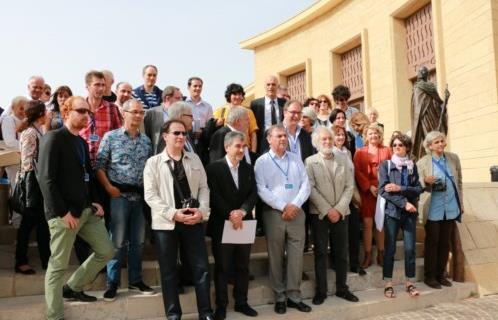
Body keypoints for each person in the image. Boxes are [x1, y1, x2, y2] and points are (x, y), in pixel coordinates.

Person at [37, 96, 115, 320]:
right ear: (66, 112)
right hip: (63, 215)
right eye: (81, 111)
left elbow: (86, 176)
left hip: (85, 210)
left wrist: (94, 201)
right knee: (58, 265)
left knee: (106, 251)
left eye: (88, 112)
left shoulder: (80, 142)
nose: (86, 116)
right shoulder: (53, 138)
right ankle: (54, 315)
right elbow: (46, 180)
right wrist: (63, 213)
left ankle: (73, 287)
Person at [143, 119, 213, 320]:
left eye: (184, 133)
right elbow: (150, 195)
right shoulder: (153, 163)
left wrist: (202, 211)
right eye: (176, 133)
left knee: (201, 269)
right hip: (166, 224)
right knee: (168, 271)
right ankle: (173, 314)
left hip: (193, 221)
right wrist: (173, 213)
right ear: (165, 136)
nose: (181, 137)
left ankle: (206, 313)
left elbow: (203, 188)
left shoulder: (195, 159)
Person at [95, 99, 153, 301]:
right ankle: (112, 283)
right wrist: (109, 188)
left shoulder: (146, 141)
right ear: (123, 113)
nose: (138, 116)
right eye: (134, 112)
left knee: (138, 241)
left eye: (141, 112)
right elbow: (99, 165)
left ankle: (136, 280)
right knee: (117, 241)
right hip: (119, 196)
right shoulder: (110, 137)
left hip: (139, 198)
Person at [254, 125, 312, 315]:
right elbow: (262, 189)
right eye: (278, 136)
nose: (283, 139)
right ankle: (279, 296)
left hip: (296, 213)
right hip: (274, 214)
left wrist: (294, 205)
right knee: (276, 256)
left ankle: (294, 296)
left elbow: (305, 184)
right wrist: (282, 206)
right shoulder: (261, 162)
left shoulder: (295, 159)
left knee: (296, 256)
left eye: (285, 136)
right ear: (269, 139)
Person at [206, 131, 258, 320]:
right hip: (223, 224)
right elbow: (213, 196)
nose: (241, 150)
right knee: (223, 267)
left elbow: (253, 193)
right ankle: (221, 306)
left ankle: (241, 302)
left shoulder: (248, 168)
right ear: (227, 147)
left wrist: (242, 212)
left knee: (243, 266)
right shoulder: (213, 169)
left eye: (244, 146)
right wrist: (231, 213)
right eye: (237, 146)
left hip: (244, 223)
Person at [305, 126, 358, 305]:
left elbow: (350, 186)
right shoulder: (310, 162)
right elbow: (310, 188)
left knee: (342, 253)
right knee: (320, 253)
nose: (327, 142)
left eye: (329, 138)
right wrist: (328, 210)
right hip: (320, 214)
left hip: (342, 213)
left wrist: (339, 209)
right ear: (317, 143)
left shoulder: (344, 159)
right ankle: (321, 291)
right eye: (323, 140)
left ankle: (342, 288)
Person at [378, 134, 423, 298]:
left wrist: (400, 188)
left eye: (400, 145)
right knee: (390, 249)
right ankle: (388, 284)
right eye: (394, 145)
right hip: (393, 213)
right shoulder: (386, 165)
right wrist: (404, 203)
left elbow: (418, 189)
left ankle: (409, 282)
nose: (397, 147)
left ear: (407, 148)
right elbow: (383, 190)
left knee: (410, 249)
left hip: (410, 214)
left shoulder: (412, 166)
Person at [417, 131, 463, 289]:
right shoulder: (422, 162)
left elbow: (459, 182)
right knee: (432, 241)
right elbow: (416, 184)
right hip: (433, 207)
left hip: (450, 207)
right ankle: (429, 277)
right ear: (429, 146)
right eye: (437, 142)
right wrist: (425, 181)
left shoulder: (453, 158)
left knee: (445, 243)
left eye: (442, 141)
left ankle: (440, 274)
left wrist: (460, 203)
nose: (441, 144)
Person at [15, 101, 51, 274]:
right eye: (46, 112)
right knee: (28, 224)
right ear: (40, 114)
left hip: (39, 183)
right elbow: (28, 162)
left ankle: (46, 260)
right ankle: (20, 261)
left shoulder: (39, 131)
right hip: (32, 185)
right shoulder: (30, 132)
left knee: (43, 224)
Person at [353, 124, 391, 269]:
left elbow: (391, 169)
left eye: (376, 133)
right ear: (366, 136)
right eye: (370, 134)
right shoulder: (359, 152)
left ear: (380, 135)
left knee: (380, 225)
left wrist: (382, 187)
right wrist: (369, 187)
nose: (373, 136)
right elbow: (357, 172)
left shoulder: (387, 150)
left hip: (383, 191)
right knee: (368, 224)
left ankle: (381, 253)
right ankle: (368, 255)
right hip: (367, 191)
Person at [332, 125, 365, 276]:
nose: (340, 137)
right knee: (339, 235)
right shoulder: (330, 153)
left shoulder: (348, 152)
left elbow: (352, 176)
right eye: (337, 135)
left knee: (353, 232)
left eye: (342, 135)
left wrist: (356, 196)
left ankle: (354, 263)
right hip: (338, 199)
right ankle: (339, 263)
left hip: (352, 196)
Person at [80, 70, 122, 167]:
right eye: (97, 85)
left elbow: (119, 137)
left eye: (103, 85)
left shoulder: (112, 109)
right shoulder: (79, 108)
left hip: (104, 165)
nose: (101, 88)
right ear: (87, 86)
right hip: (82, 162)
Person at [411, 66, 450, 160]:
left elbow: (439, 102)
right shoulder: (417, 87)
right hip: (422, 117)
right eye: (421, 72)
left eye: (424, 71)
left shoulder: (431, 86)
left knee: (435, 136)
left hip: (433, 116)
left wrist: (446, 99)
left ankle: (436, 157)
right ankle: (427, 158)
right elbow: (416, 106)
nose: (423, 73)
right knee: (426, 139)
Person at [213, 83, 258, 153]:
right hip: (226, 149)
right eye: (234, 94)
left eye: (240, 94)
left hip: (245, 149)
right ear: (229, 96)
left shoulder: (248, 112)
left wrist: (253, 152)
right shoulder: (221, 112)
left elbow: (253, 134)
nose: (237, 97)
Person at [250, 75, 286, 155]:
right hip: (262, 142)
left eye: (273, 84)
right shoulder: (255, 104)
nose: (271, 87)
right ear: (265, 86)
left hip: (280, 141)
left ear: (277, 87)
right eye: (268, 84)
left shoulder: (284, 103)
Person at [143, 85, 183, 155]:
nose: (180, 101)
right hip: (157, 156)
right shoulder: (151, 113)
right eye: (177, 98)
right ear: (167, 98)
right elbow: (146, 136)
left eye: (181, 99)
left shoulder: (180, 115)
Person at [1, 97, 28, 192]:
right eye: (21, 108)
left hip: (23, 158)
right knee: (16, 187)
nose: (23, 111)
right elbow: (10, 141)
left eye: (26, 108)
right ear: (13, 108)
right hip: (14, 159)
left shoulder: (26, 121)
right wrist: (27, 149)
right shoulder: (8, 120)